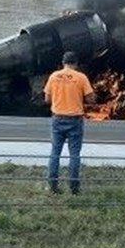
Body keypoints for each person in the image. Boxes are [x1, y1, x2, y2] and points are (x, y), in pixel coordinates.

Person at [43, 51, 96, 194]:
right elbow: (91, 99)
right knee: (74, 154)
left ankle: (52, 185)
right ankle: (74, 187)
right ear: (76, 64)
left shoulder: (54, 76)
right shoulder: (81, 77)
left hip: (58, 118)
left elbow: (47, 99)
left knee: (55, 152)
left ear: (63, 62)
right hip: (75, 120)